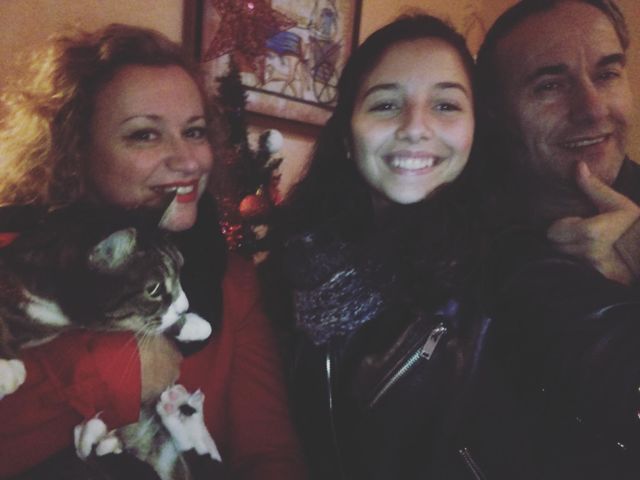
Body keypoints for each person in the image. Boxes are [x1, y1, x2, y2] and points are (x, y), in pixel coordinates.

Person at [0, 24, 307, 479]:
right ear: (76, 149)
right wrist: (113, 370)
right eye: (145, 134)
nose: (188, 160)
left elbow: (271, 457)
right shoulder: (14, 264)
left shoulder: (232, 281)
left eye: (194, 131)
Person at [277, 13, 535, 480]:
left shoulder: (511, 265)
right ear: (347, 137)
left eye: (446, 105)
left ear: (476, 130)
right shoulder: (295, 267)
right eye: (385, 104)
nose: (415, 127)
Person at [476, 0, 640, 477]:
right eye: (549, 85)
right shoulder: (466, 243)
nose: (593, 109)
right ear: (496, 114)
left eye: (607, 74)